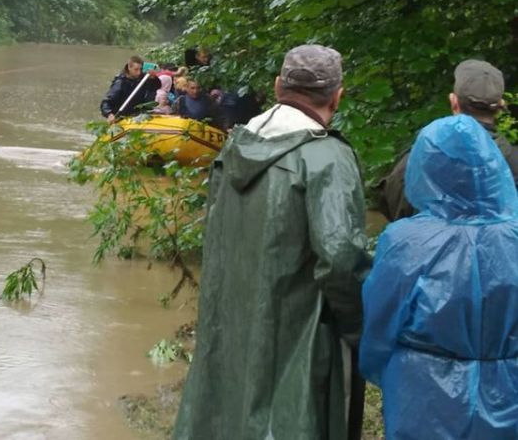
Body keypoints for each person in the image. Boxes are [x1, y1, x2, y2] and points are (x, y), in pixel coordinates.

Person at [174, 44, 371, 440]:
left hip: (230, 326)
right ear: (337, 96)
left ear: (279, 85)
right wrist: (362, 333)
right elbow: (340, 260)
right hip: (299, 340)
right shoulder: (327, 157)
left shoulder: (234, 146)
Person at [360, 115, 518, 439]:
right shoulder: (513, 237)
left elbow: (380, 322)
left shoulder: (406, 241)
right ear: (491, 168)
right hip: (507, 395)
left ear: (425, 168)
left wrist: (379, 370)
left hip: (422, 396)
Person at [377, 59, 517, 221]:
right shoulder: (513, 163)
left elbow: (394, 211)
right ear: (500, 107)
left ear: (454, 102)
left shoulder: (414, 163)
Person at [100, 55, 160, 123]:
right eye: (136, 69)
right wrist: (109, 114)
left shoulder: (143, 78)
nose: (139, 72)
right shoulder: (120, 83)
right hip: (122, 116)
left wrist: (153, 78)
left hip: (137, 114)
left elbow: (156, 87)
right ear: (129, 67)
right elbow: (106, 102)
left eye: (140, 69)